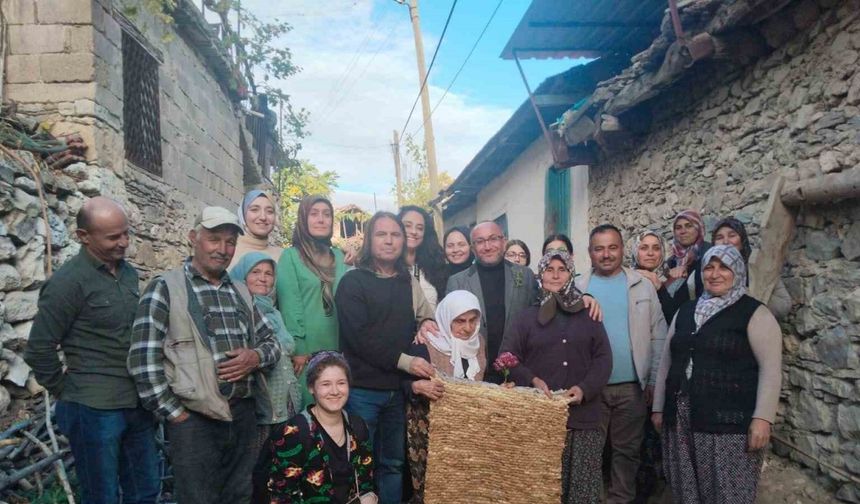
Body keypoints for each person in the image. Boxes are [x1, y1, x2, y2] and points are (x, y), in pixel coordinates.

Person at [128, 206, 282, 504]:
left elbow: (272, 343)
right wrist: (177, 415)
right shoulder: (165, 288)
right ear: (193, 238)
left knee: (239, 495)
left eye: (229, 241)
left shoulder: (240, 291)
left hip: (242, 414)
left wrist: (254, 357)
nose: (223, 249)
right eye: (214, 239)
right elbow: (143, 363)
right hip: (195, 421)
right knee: (198, 498)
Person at [25, 197, 159, 504]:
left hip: (136, 404)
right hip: (93, 410)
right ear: (84, 236)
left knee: (145, 490)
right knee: (102, 496)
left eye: (126, 233)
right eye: (114, 237)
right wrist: (70, 391)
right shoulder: (67, 283)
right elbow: (39, 349)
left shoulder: (127, 274)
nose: (124, 242)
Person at [651, 245, 782, 504]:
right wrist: (658, 408)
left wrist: (763, 418)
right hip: (680, 416)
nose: (715, 274)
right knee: (685, 485)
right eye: (709, 267)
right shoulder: (686, 311)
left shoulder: (754, 313)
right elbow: (667, 361)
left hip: (729, 422)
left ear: (738, 272)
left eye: (724, 267)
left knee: (727, 489)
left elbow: (771, 369)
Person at [335, 211, 438, 504]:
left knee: (393, 465)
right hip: (362, 391)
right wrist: (406, 361)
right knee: (358, 465)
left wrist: (426, 324)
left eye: (395, 234)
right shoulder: (353, 282)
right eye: (382, 234)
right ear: (369, 240)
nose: (389, 241)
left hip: (396, 392)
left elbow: (426, 316)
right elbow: (360, 338)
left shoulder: (407, 282)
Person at [502, 250, 612, 504]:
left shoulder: (588, 314)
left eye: (561, 269)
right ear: (540, 274)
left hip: (583, 419)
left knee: (582, 491)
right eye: (549, 269)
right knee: (542, 490)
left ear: (571, 273)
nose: (555, 275)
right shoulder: (525, 318)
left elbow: (603, 358)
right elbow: (507, 356)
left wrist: (584, 389)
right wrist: (532, 380)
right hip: (540, 418)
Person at [576, 224, 668, 504]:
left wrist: (653, 380)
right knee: (588, 454)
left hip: (632, 389)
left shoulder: (641, 286)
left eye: (612, 247)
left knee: (627, 455)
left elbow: (659, 335)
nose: (606, 254)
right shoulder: (578, 287)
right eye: (599, 248)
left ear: (623, 249)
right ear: (590, 253)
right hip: (591, 390)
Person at [260, 352, 378, 504]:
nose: (335, 391)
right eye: (326, 384)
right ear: (311, 387)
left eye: (341, 383)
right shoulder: (294, 432)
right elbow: (281, 495)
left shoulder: (357, 426)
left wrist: (368, 497)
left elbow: (365, 481)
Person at [406, 290, 485, 503]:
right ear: (446, 318)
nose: (467, 328)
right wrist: (416, 386)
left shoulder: (479, 343)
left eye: (472, 320)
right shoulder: (426, 342)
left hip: (465, 429)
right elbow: (400, 382)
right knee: (431, 488)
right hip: (429, 428)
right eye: (459, 321)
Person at [446, 221, 539, 384]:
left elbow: (538, 317)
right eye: (480, 241)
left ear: (504, 242)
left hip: (518, 373)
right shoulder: (457, 282)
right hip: (475, 374)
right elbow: (450, 330)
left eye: (493, 239)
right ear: (473, 247)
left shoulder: (525, 276)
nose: (487, 246)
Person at [277, 195, 348, 407]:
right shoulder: (291, 256)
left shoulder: (340, 256)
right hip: (306, 353)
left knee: (335, 409)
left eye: (327, 215)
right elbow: (290, 305)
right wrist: (297, 349)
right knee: (311, 410)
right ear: (303, 219)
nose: (321, 219)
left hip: (339, 347)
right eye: (314, 214)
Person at [229, 252, 301, 443]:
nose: (263, 278)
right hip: (260, 408)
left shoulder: (274, 312)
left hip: (286, 403)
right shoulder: (237, 310)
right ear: (242, 275)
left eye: (268, 273)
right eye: (255, 272)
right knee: (258, 465)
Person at [711, 217, 791, 320]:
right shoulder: (707, 270)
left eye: (732, 236)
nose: (726, 242)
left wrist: (746, 294)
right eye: (719, 237)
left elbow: (784, 304)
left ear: (742, 239)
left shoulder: (759, 266)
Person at [662, 209, 711, 321]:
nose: (683, 231)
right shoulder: (672, 261)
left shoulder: (708, 254)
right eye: (678, 228)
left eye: (688, 226)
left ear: (698, 228)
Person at [398, 205, 448, 310]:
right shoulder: (387, 268)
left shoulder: (433, 268)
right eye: (407, 226)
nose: (414, 232)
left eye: (420, 228)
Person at [229, 189, 283, 268]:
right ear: (243, 215)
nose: (263, 217)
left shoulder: (283, 257)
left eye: (269, 211)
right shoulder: (228, 252)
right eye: (254, 210)